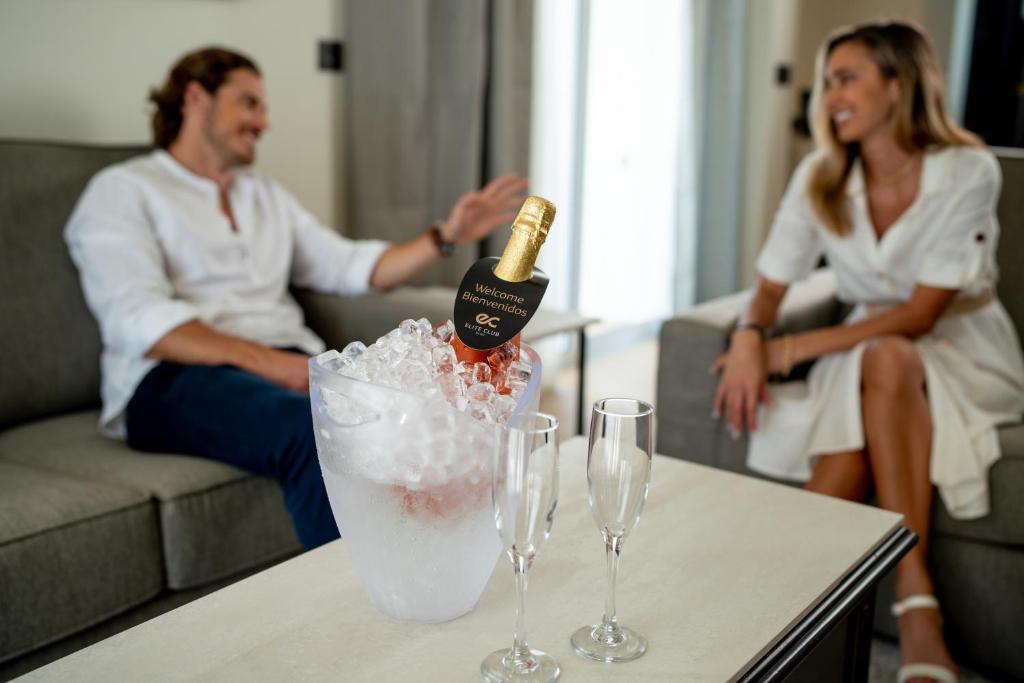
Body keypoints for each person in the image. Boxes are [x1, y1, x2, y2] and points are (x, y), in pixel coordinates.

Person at [64, 47, 527, 552]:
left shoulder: (262, 194)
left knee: (420, 417)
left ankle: (458, 560)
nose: (263, 122)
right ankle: (358, 595)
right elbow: (137, 319)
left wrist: (446, 235)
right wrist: (282, 368)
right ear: (195, 98)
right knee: (319, 432)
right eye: (249, 103)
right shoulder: (124, 190)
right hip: (172, 378)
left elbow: (348, 265)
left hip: (282, 362)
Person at [711, 21, 1024, 683]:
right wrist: (747, 337)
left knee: (885, 356)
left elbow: (920, 313)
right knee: (864, 400)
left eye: (846, 79)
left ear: (898, 84)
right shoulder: (820, 175)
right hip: (865, 353)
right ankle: (848, 619)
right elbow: (770, 288)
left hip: (960, 349)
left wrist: (787, 349)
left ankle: (883, 600)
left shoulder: (968, 169)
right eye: (827, 82)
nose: (830, 97)